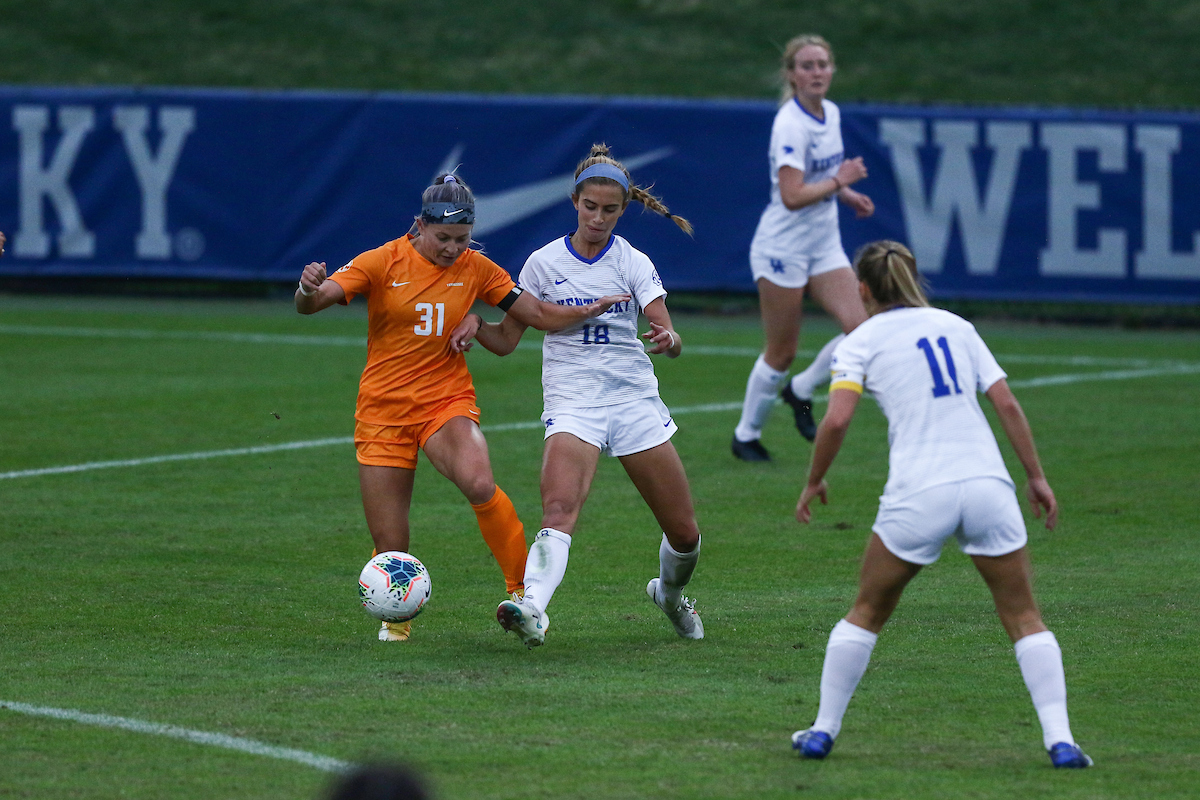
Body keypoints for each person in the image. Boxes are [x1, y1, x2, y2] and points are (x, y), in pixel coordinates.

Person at [790, 241, 1092, 769]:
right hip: (987, 485)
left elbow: (835, 420)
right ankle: (1061, 741)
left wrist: (814, 480)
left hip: (920, 490)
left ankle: (821, 731)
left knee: (866, 613)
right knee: (1024, 617)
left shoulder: (857, 342)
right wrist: (1036, 477)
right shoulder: (958, 326)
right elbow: (1006, 403)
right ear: (913, 278)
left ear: (862, 289)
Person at [296, 172, 627, 642]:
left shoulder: (476, 268)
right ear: (419, 227)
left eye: (463, 239)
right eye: (444, 238)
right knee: (390, 541)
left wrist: (586, 310)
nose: (453, 249)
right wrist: (308, 289)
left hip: (444, 399)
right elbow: (313, 303)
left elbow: (533, 314)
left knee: (478, 481)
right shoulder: (381, 261)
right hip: (382, 412)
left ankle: (523, 597)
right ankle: (396, 621)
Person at [450, 144, 704, 648]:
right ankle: (532, 609)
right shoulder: (543, 264)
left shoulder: (633, 261)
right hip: (573, 403)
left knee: (685, 534)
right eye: (590, 207)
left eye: (610, 210)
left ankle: (671, 597)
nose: (598, 218)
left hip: (633, 402)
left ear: (623, 210)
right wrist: (478, 324)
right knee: (559, 509)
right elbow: (506, 342)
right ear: (575, 201)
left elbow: (667, 337)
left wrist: (667, 340)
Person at [732, 34, 875, 462]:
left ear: (833, 70)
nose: (817, 73)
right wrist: (841, 181)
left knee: (863, 328)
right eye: (807, 66)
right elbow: (793, 195)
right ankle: (746, 435)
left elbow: (824, 175)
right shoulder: (790, 124)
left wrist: (845, 194)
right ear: (791, 76)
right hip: (783, 248)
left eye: (823, 64)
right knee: (782, 351)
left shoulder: (830, 112)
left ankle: (801, 389)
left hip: (823, 242)